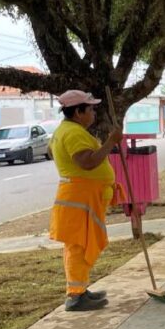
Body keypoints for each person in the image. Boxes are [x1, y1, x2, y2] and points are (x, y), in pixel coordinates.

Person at [49, 90, 123, 312]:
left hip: (83, 198)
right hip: (79, 199)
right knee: (79, 246)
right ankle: (75, 296)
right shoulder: (72, 133)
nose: (93, 113)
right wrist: (111, 142)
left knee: (81, 245)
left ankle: (80, 289)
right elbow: (87, 162)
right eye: (90, 109)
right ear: (78, 112)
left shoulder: (70, 130)